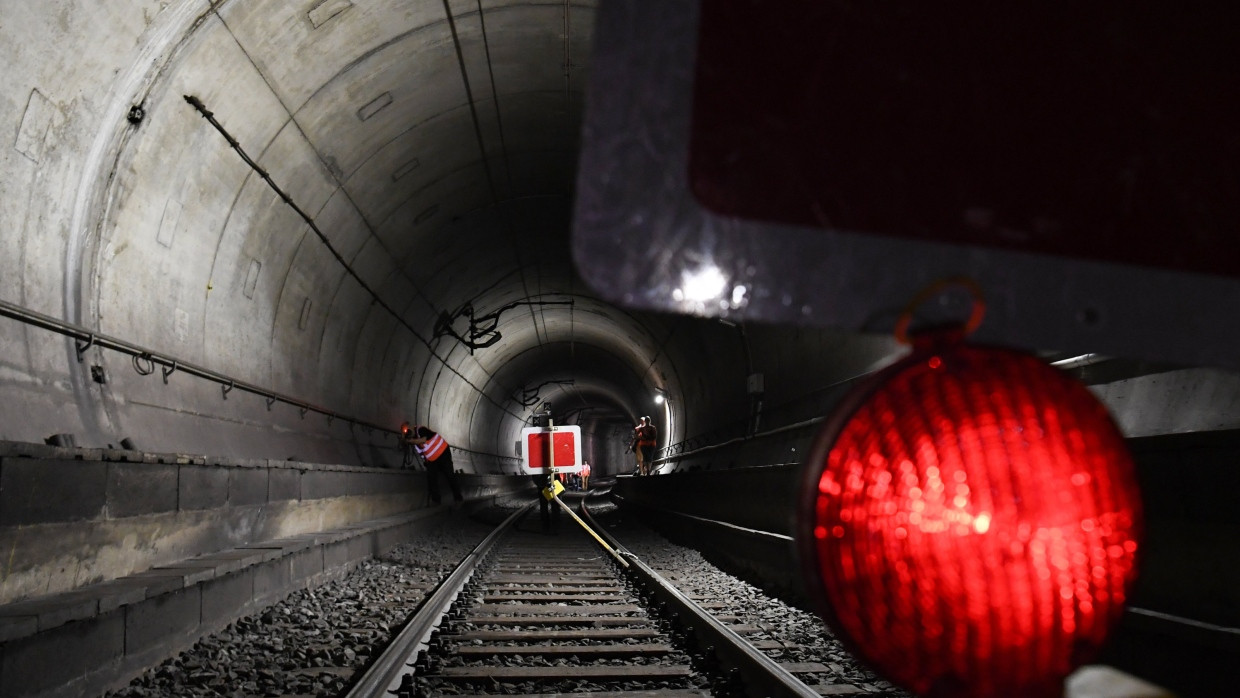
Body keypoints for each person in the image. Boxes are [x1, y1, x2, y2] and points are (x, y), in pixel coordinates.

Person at [402, 422, 463, 504]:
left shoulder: (420, 430)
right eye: (407, 434)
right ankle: (436, 501)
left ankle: (458, 498)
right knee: (431, 478)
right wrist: (426, 462)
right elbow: (422, 453)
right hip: (433, 459)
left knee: (450, 475)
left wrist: (412, 441)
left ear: (412, 427)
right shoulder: (415, 445)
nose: (409, 433)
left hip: (443, 453)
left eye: (408, 430)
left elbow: (423, 440)